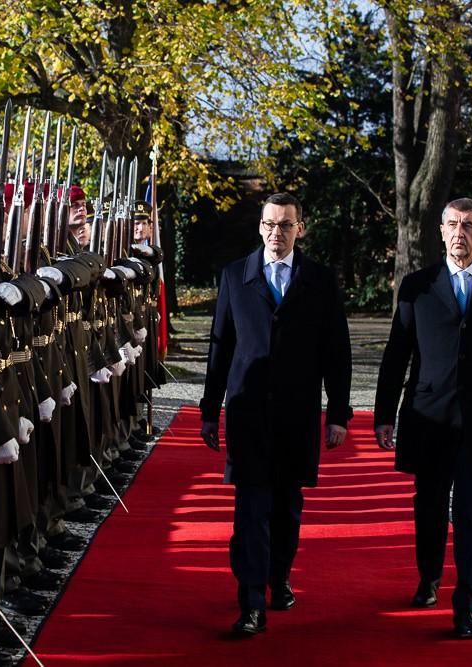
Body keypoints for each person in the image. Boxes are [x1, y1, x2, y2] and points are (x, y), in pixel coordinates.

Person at [374, 197, 472, 639]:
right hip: (428, 416)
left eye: (468, 225)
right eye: (453, 225)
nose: (460, 232)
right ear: (441, 232)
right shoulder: (417, 285)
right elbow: (397, 353)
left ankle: (467, 605)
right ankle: (429, 577)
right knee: (429, 505)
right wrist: (384, 415)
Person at [199, 192, 351, 637]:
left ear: (300, 229)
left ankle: (279, 576)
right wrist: (209, 410)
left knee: (286, 506)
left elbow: (336, 351)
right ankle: (250, 601)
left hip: (296, 413)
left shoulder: (319, 279)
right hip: (247, 412)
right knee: (250, 511)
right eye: (269, 224)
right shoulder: (235, 275)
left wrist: (338, 413)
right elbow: (220, 347)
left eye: (285, 225)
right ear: (259, 226)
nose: (276, 233)